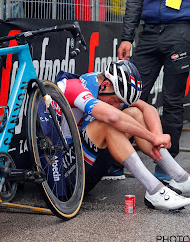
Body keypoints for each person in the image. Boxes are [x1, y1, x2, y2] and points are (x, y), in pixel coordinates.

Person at [56, 60, 190, 211]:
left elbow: (148, 109)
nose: (116, 105)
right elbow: (113, 118)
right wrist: (151, 137)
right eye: (115, 101)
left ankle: (180, 178)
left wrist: (158, 136)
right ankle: (154, 191)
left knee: (135, 113)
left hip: (86, 168)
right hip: (61, 177)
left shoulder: (107, 87)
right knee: (108, 123)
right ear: (105, 85)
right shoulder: (75, 87)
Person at [117, 0, 190, 183]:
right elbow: (134, 2)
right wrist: (127, 37)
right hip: (148, 33)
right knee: (130, 95)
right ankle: (116, 158)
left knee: (172, 100)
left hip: (180, 32)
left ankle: (167, 165)